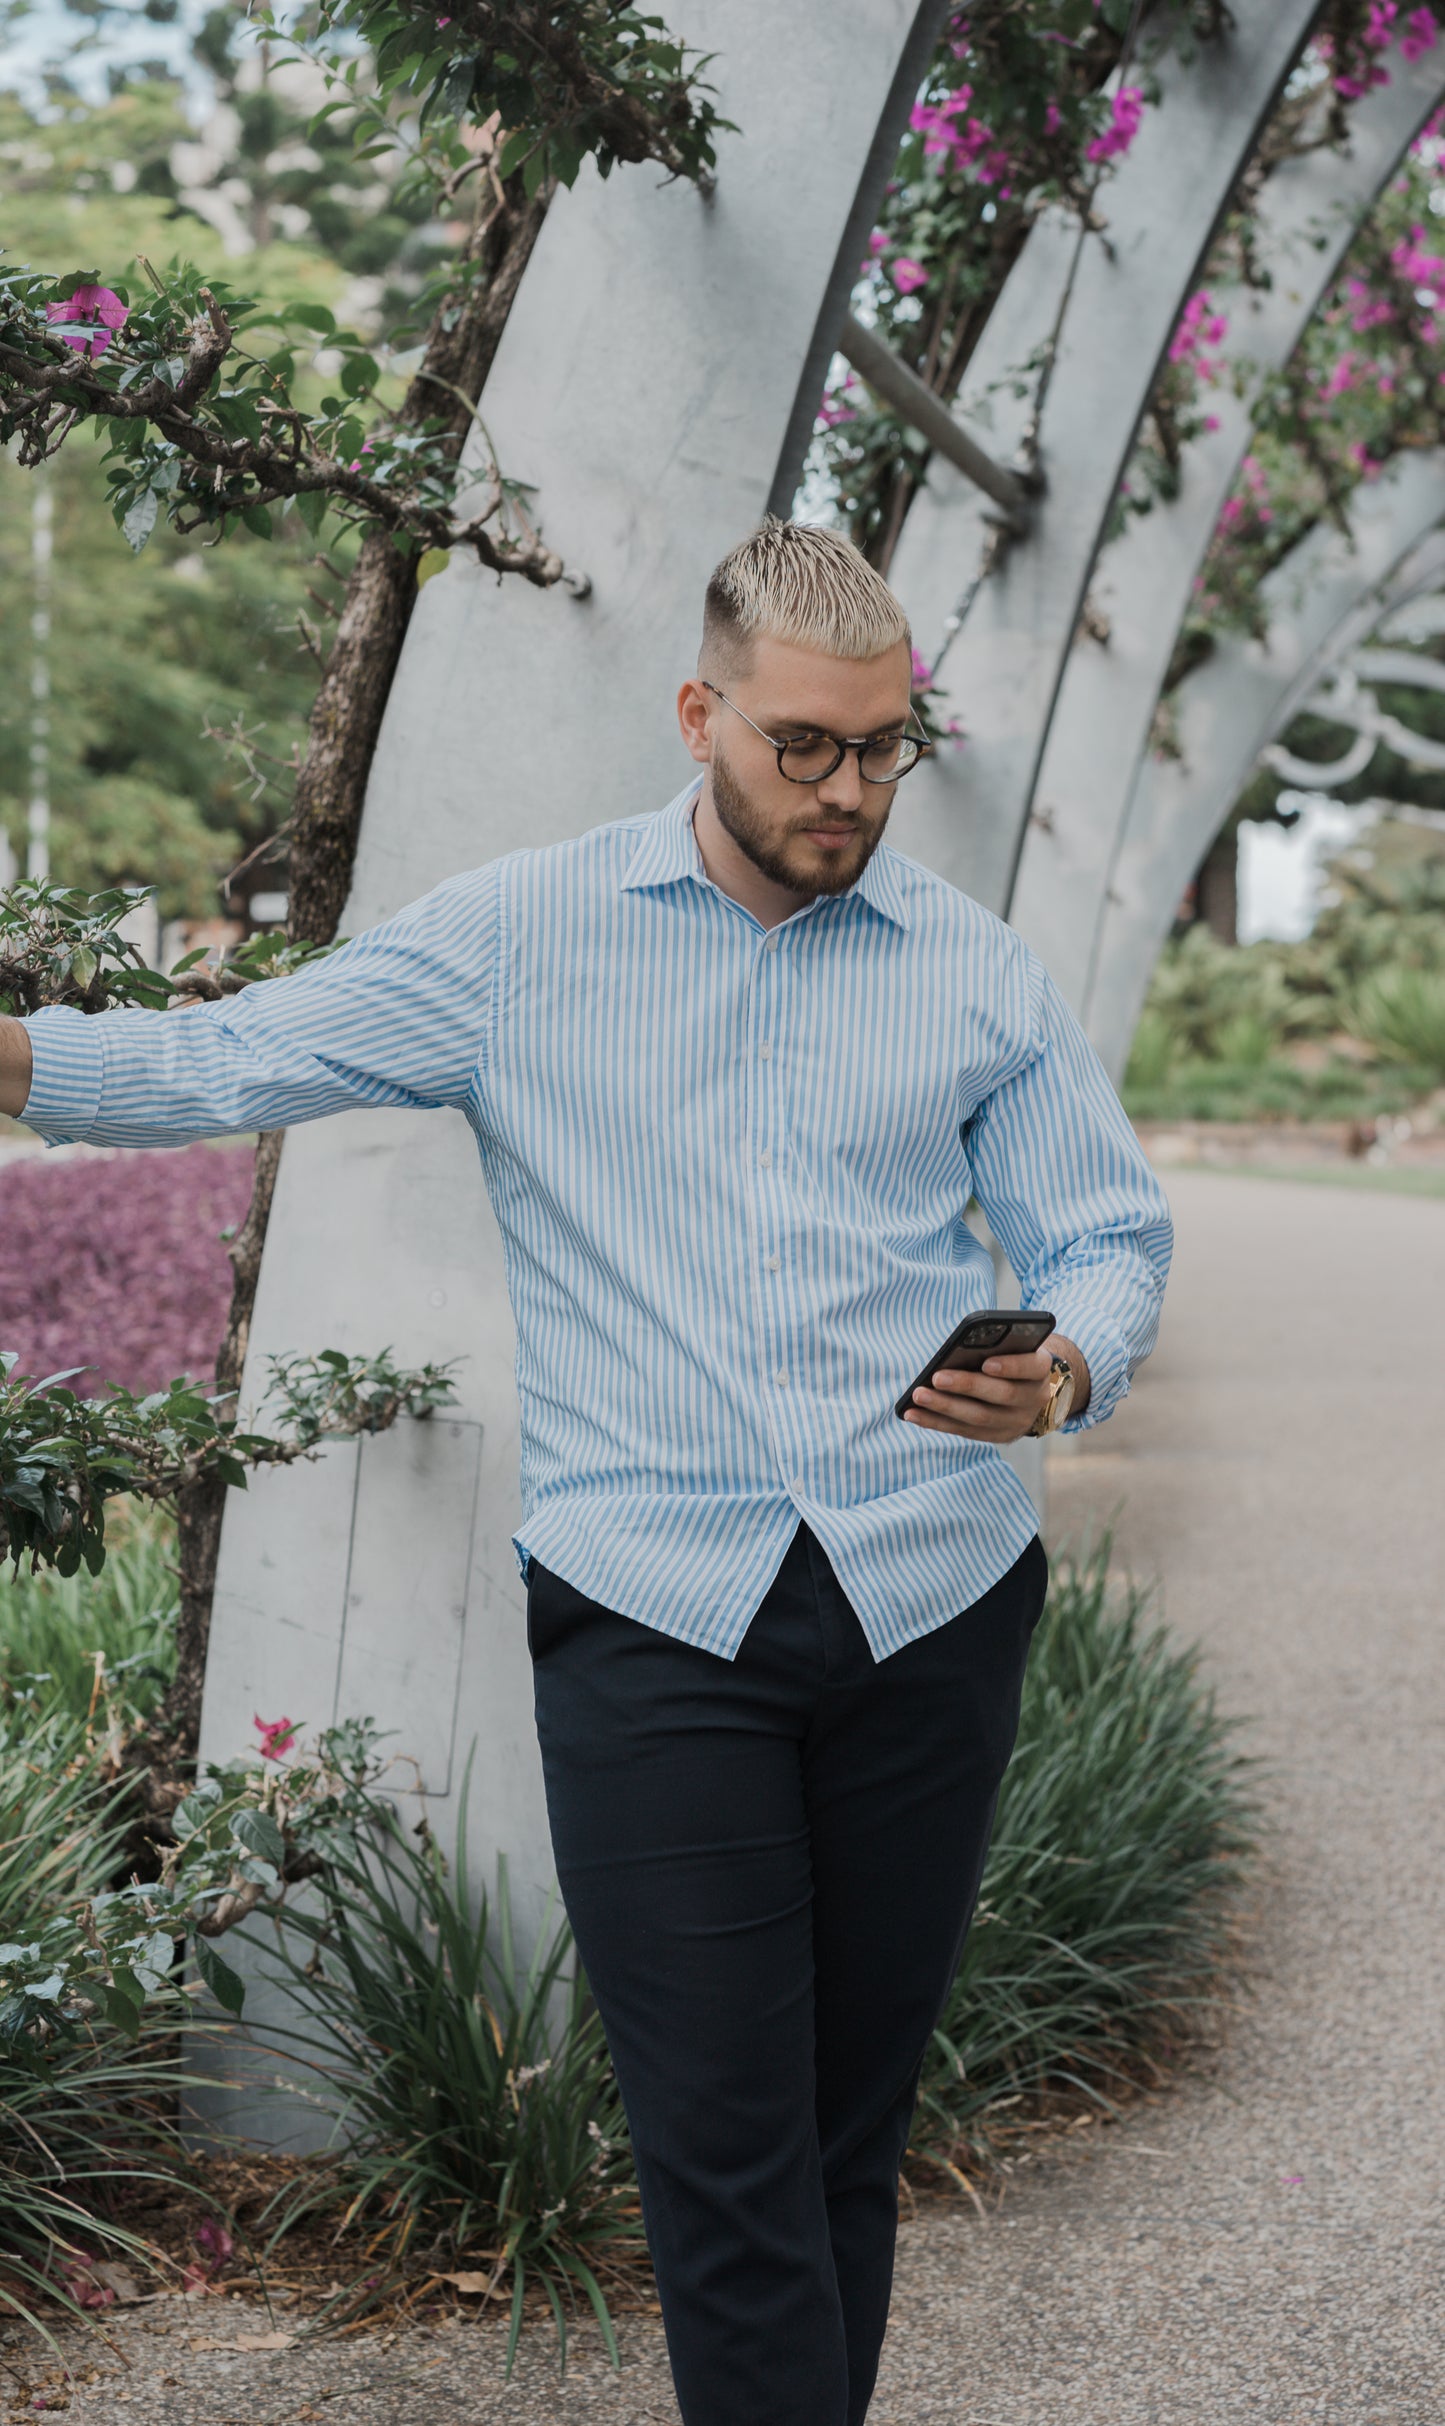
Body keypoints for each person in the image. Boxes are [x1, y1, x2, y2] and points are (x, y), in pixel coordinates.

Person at [0, 519, 1172, 2426]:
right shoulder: (515, 936)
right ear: (699, 712)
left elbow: (1106, 1234)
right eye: (806, 745)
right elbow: (236, 1057)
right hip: (656, 1618)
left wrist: (1061, 1361)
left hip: (931, 1597)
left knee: (838, 2143)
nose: (851, 791)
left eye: (885, 749)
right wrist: (24, 1059)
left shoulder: (972, 971)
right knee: (720, 2150)